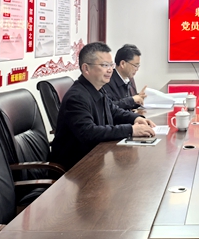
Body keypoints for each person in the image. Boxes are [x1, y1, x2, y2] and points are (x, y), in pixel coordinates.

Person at [50, 42, 156, 170]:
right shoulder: (76, 97)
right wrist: (131, 130)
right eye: (105, 65)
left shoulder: (98, 89)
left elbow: (113, 111)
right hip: (74, 169)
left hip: (95, 159)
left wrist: (135, 118)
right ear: (86, 68)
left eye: (111, 65)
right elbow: (89, 133)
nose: (110, 70)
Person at [104, 44, 147, 110]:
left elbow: (127, 105)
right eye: (135, 66)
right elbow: (108, 107)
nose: (137, 69)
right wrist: (132, 100)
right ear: (122, 64)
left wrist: (138, 100)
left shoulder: (129, 79)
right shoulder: (107, 80)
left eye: (138, 66)